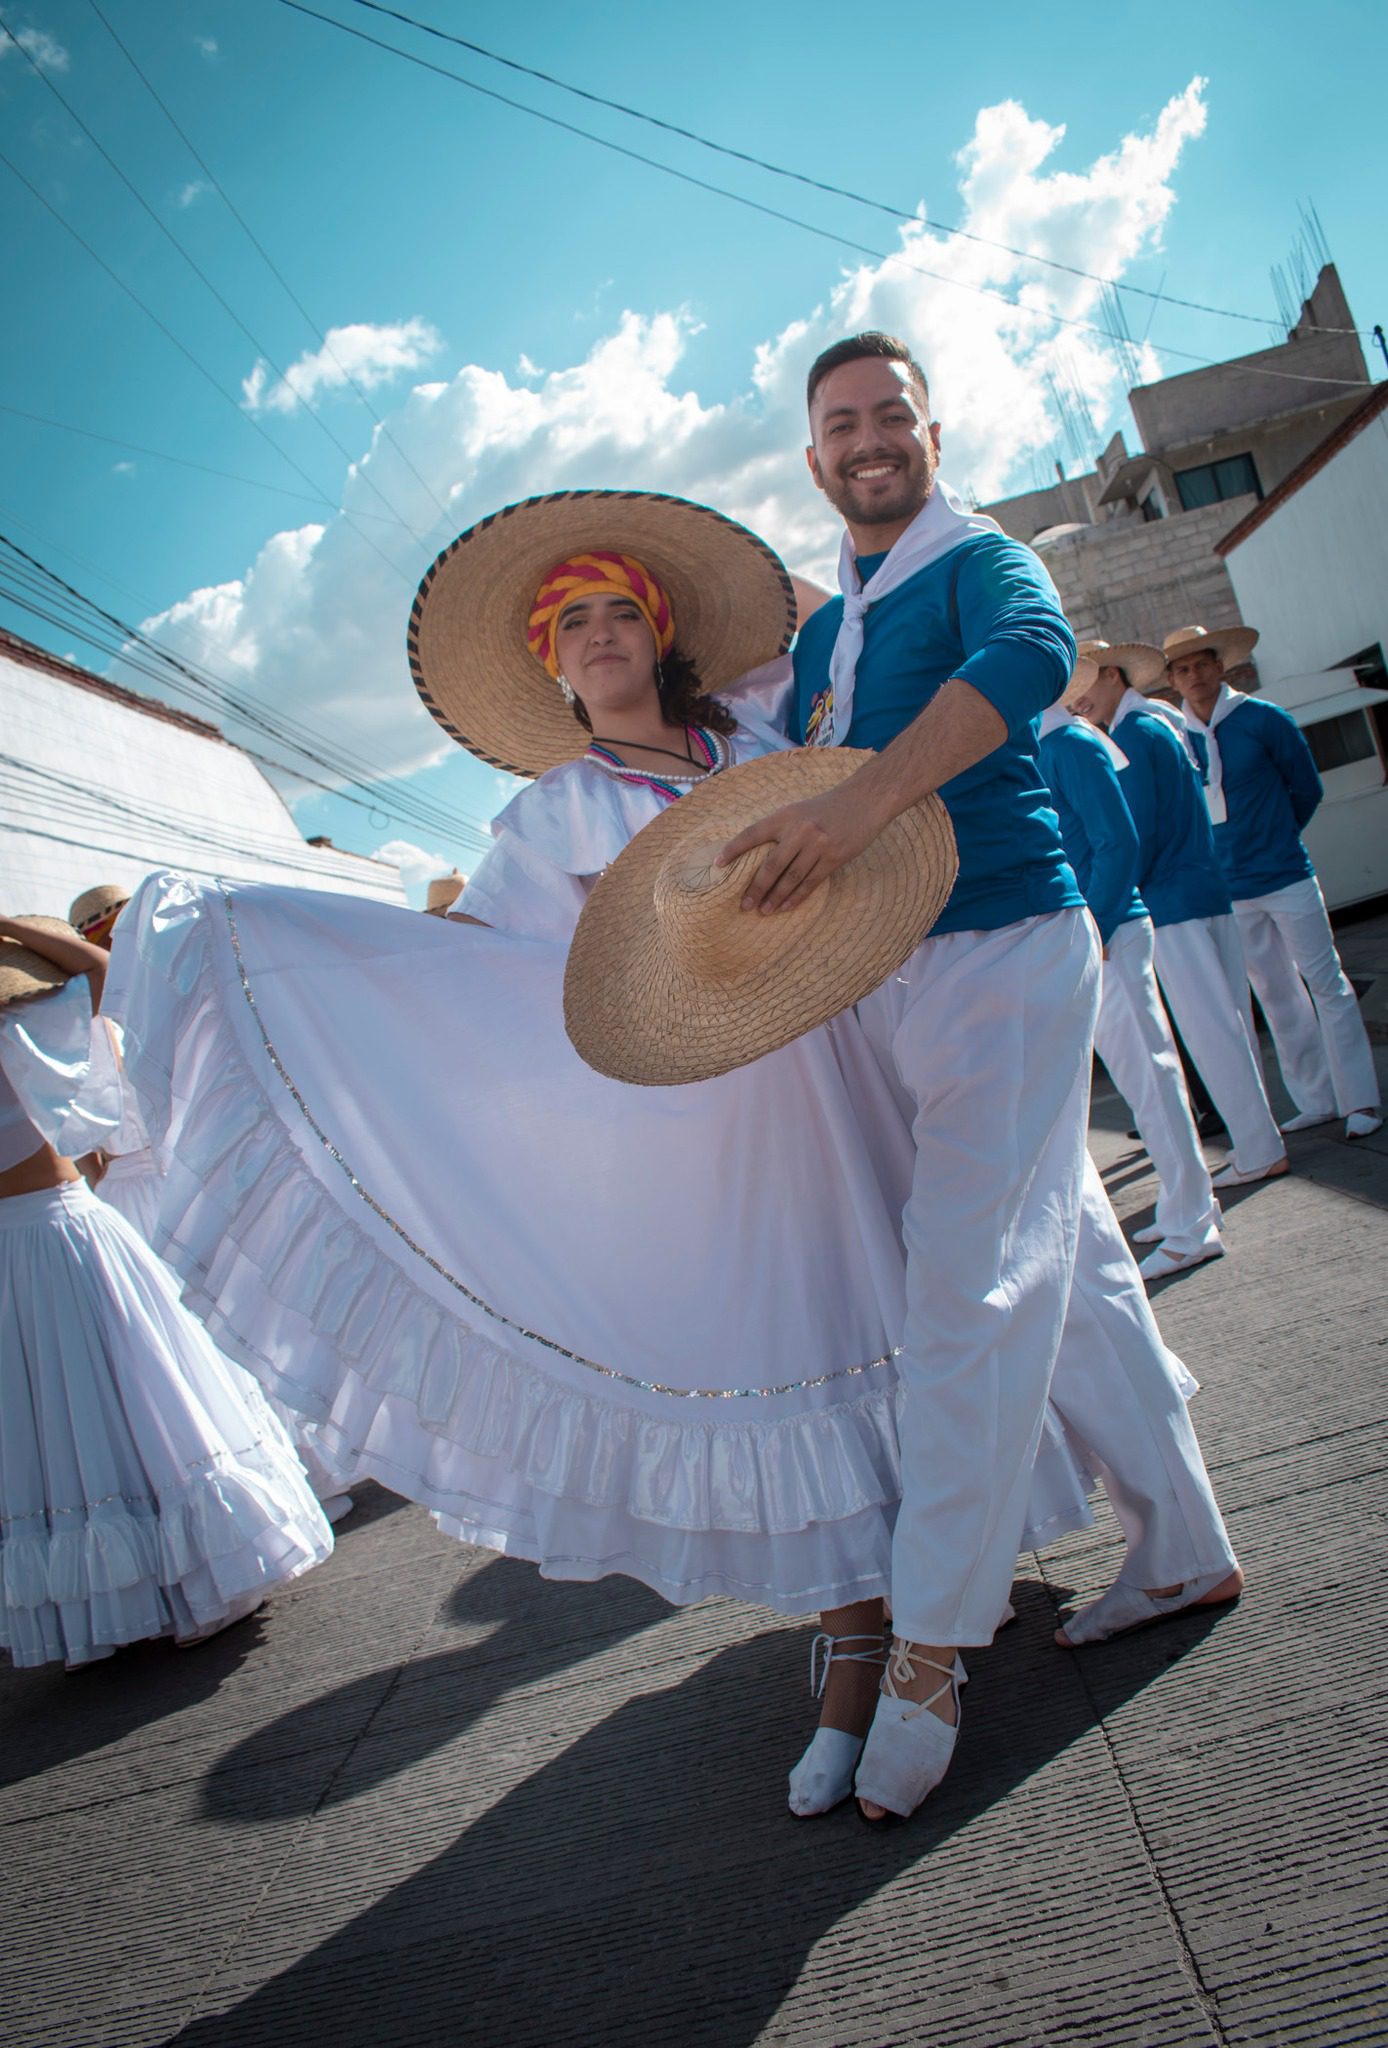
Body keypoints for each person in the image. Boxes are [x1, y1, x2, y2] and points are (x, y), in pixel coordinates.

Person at [103, 492, 1098, 1812]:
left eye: (625, 609)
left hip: (853, 1062)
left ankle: (939, 1614)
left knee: (925, 1315)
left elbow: (844, 644)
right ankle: (857, 1638)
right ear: (554, 669)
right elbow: (502, 978)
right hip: (721, 1131)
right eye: (575, 624)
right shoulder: (555, 816)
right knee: (795, 1353)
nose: (604, 634)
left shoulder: (755, 731)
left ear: (664, 631)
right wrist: (313, 948)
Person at [717, 332, 1241, 1822]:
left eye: (893, 414)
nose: (871, 438)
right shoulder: (833, 633)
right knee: (1067, 1262)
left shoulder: (976, 557)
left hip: (1007, 941)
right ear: (814, 459)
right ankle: (1182, 1543)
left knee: (967, 1286)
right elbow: (784, 757)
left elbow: (1031, 664)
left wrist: (857, 807)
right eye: (842, 424)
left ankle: (935, 1642)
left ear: (930, 433)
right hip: (897, 975)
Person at [0, 914, 333, 1669]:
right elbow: (99, 970)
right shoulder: (36, 1034)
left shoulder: (28, 1032)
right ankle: (162, 1577)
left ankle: (132, 1588)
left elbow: (100, 973)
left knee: (73, 1417)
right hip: (59, 1233)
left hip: (54, 1236)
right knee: (111, 1405)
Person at [1067, 647, 1288, 1192]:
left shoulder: (1135, 733)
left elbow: (1132, 832)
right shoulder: (1159, 723)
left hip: (1172, 901)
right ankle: (1261, 1141)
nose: (1081, 700)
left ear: (1113, 678)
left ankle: (1259, 1147)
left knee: (1211, 1030)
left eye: (1089, 686)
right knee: (1229, 1022)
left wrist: (1109, 906)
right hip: (1204, 888)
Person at [1038, 661, 1222, 1280]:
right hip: (1106, 928)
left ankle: (1193, 1223)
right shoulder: (1057, 742)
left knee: (1151, 1077)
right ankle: (1187, 1204)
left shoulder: (1066, 743)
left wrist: (1096, 924)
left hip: (1109, 930)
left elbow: (1118, 839)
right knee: (1147, 1078)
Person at [1164, 623, 1382, 1142]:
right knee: (1277, 995)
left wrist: (1276, 837)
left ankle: (1362, 1100)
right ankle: (1316, 1099)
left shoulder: (1263, 719)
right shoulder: (1180, 737)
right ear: (1172, 680)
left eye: (1202, 664)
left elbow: (1306, 789)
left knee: (1327, 984)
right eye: (1183, 668)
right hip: (1232, 888)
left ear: (1221, 666)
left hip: (1286, 875)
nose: (1195, 675)